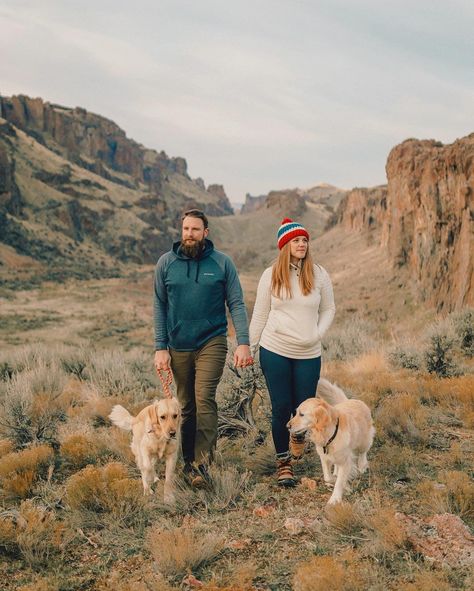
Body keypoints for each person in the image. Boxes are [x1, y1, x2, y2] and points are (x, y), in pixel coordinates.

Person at [153, 209, 253, 486]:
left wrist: (243, 342)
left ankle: (203, 464)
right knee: (184, 404)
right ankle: (186, 463)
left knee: (204, 397)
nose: (190, 234)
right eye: (186, 229)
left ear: (205, 233)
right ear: (181, 230)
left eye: (195, 229)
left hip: (212, 340)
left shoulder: (222, 263)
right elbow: (159, 306)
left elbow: (236, 303)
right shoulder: (166, 264)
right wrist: (161, 346)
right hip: (178, 344)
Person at [249, 217, 335, 487]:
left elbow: (329, 308)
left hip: (308, 352)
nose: (302, 244)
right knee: (281, 408)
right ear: (285, 245)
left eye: (304, 240)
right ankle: (283, 463)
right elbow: (260, 313)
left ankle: (297, 436)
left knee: (304, 407)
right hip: (275, 349)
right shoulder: (270, 274)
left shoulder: (319, 273)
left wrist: (317, 334)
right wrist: (251, 348)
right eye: (296, 240)